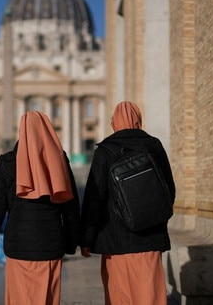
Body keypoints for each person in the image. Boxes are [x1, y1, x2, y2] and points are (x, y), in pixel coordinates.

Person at [0, 111, 81, 305]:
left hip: (18, 247)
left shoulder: (7, 163)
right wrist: (71, 243)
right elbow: (71, 209)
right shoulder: (59, 159)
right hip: (50, 245)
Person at [80, 101, 176, 305]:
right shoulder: (154, 145)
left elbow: (94, 198)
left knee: (119, 295)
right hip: (149, 237)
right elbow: (168, 188)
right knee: (149, 293)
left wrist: (87, 238)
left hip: (115, 241)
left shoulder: (105, 150)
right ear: (138, 119)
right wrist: (155, 217)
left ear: (114, 121)